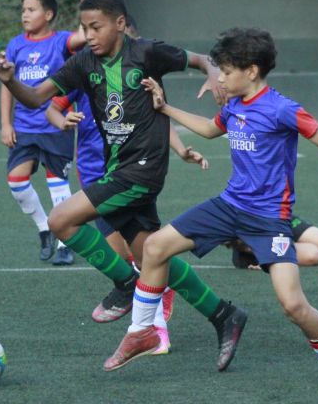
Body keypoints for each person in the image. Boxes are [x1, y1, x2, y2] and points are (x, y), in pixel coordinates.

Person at [105, 27, 318, 390]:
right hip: (229, 206)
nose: (220, 77)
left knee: (293, 306)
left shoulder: (283, 109)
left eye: (227, 71)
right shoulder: (233, 105)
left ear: (251, 71)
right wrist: (165, 107)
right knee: (156, 247)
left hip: (269, 221)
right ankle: (142, 332)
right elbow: (208, 129)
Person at [0, 0, 228, 354]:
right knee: (153, 253)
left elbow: (201, 59)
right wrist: (10, 80)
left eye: (96, 27)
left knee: (60, 220)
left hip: (141, 172)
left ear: (119, 24)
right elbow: (38, 98)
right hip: (116, 167)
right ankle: (224, 314)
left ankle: (127, 285)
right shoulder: (84, 63)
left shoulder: (147, 53)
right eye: (84, 28)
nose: (88, 35)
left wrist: (213, 75)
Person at [46, 88, 205, 354]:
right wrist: (61, 120)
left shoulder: (132, 73)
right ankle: (162, 287)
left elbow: (158, 116)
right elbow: (52, 107)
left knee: (143, 259)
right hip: (94, 178)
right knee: (124, 260)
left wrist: (179, 149)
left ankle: (157, 332)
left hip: (129, 176)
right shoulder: (81, 71)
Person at [0, 0, 86, 265]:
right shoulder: (15, 45)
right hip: (24, 127)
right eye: (23, 9)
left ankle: (64, 243)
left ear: (48, 15)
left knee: (57, 185)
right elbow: (7, 86)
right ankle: (44, 227)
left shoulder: (61, 41)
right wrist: (6, 123)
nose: (25, 14)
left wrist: (86, 4)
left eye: (31, 9)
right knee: (16, 182)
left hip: (55, 126)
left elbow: (85, 36)